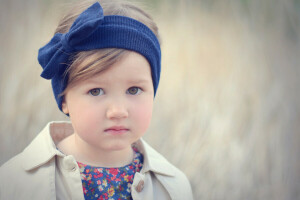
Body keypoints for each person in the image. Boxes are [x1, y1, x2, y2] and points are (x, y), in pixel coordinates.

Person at [0, 0, 193, 199]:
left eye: (134, 90)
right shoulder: (16, 183)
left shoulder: (172, 187)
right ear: (64, 98)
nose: (118, 111)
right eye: (96, 91)